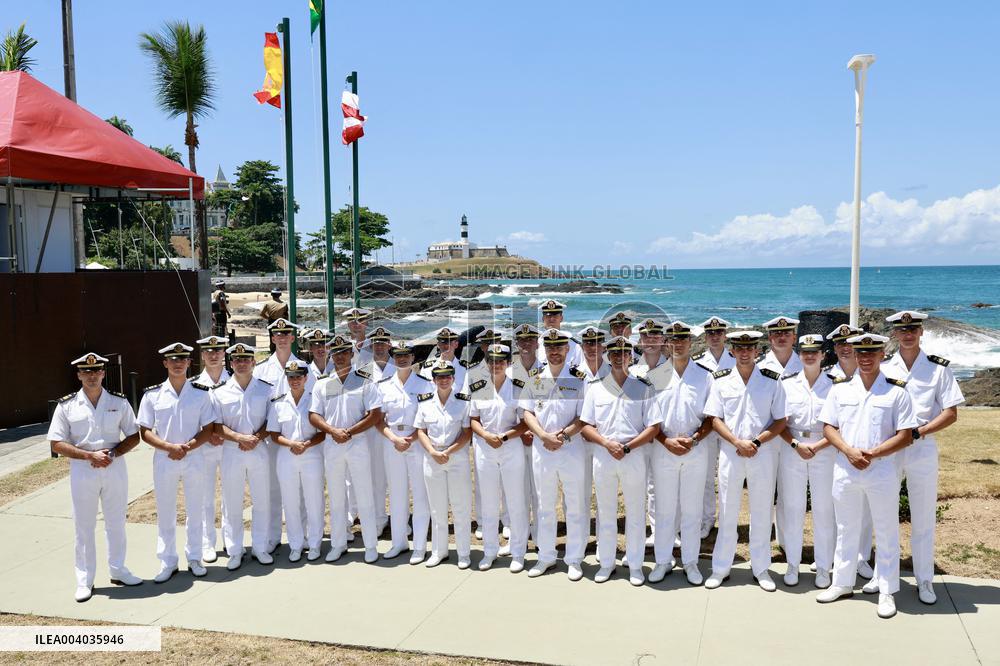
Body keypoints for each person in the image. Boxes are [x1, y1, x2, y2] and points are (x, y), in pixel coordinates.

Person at [816, 333, 917, 619]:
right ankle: (843, 583)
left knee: (886, 530)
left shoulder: (897, 391)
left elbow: (906, 435)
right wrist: (849, 451)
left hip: (881, 469)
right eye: (860, 353)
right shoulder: (840, 390)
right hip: (846, 467)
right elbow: (828, 427)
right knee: (846, 528)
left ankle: (886, 591)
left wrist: (871, 454)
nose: (865, 358)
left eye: (872, 353)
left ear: (882, 354)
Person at [880, 310, 964, 605]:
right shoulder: (884, 368)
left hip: (922, 449)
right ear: (894, 334)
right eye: (902, 330)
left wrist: (920, 432)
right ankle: (885, 581)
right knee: (885, 515)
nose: (907, 334)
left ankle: (924, 579)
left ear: (921, 332)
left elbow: (951, 413)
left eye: (913, 329)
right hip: (890, 450)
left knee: (924, 517)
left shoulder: (938, 369)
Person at [48, 353, 143, 602]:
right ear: (79, 375)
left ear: (103, 373)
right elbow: (57, 443)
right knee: (84, 526)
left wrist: (113, 452)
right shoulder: (66, 406)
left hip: (114, 467)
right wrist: (88, 455)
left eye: (96, 371)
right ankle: (84, 579)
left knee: (116, 521)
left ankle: (118, 569)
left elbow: (134, 435)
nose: (92, 376)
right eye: (86, 372)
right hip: (83, 470)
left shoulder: (119, 402)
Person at [703, 331, 787, 592]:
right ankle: (721, 568)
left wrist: (757, 442)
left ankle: (761, 568)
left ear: (757, 350)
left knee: (761, 511)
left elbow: (781, 420)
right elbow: (715, 419)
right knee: (728, 511)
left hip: (762, 453)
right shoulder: (720, 381)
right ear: (732, 351)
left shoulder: (772, 381)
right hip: (731, 452)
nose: (744, 352)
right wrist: (737, 442)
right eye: (739, 347)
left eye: (749, 347)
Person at [580, 335, 662, 586]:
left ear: (631, 356)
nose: (618, 357)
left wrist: (627, 447)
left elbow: (654, 427)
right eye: (614, 353)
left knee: (635, 512)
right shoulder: (595, 387)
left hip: (633, 455)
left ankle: (635, 565)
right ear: (608, 356)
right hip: (604, 455)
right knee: (605, 511)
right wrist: (606, 444)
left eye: (624, 353)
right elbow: (586, 426)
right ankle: (606, 563)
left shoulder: (643, 387)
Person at [137, 343, 218, 583]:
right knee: (166, 510)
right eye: (173, 360)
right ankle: (168, 560)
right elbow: (145, 431)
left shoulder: (200, 393)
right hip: (165, 458)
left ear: (189, 363)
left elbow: (209, 428)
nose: (178, 363)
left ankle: (194, 557)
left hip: (194, 457)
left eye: (182, 359)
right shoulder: (152, 395)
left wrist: (189, 446)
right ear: (165, 363)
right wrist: (169, 447)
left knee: (195, 509)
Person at [520, 329, 589, 580]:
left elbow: (583, 417)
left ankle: (574, 559)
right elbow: (527, 412)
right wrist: (543, 436)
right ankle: (546, 556)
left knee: (575, 506)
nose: (555, 352)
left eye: (559, 347)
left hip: (571, 449)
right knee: (545, 506)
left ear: (567, 349)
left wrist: (563, 436)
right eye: (550, 348)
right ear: (544, 351)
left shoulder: (579, 380)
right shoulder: (535, 379)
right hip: (543, 450)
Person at [308, 334, 383, 564]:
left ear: (352, 354)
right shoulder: (322, 384)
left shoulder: (364, 381)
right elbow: (313, 415)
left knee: (364, 494)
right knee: (337, 496)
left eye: (344, 352)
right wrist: (332, 431)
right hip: (332, 444)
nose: (339, 357)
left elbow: (375, 415)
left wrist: (348, 432)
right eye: (336, 353)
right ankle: (338, 544)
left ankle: (371, 545)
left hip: (357, 443)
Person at [649, 322, 714, 585]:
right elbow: (649, 420)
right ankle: (663, 561)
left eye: (682, 339)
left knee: (692, 509)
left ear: (690, 342)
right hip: (662, 449)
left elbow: (712, 417)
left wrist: (694, 439)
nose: (678, 344)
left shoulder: (705, 376)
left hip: (695, 449)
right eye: (673, 340)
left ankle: (690, 562)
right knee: (664, 509)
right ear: (667, 343)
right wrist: (666, 441)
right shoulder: (654, 377)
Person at [776, 334, 837, 588]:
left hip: (825, 449)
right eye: (804, 351)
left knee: (824, 510)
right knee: (793, 508)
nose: (809, 356)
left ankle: (823, 567)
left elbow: (841, 423)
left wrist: (819, 446)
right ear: (799, 354)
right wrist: (796, 445)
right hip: (793, 448)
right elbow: (779, 420)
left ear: (823, 355)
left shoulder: (836, 384)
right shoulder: (786, 383)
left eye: (815, 351)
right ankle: (792, 564)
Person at [212, 343, 274, 570]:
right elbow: (217, 426)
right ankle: (235, 549)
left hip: (259, 448)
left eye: (246, 359)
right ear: (231, 363)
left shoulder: (266, 389)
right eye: (237, 360)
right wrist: (240, 438)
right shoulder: (219, 392)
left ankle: (260, 547)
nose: (241, 363)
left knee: (261, 500)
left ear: (253, 362)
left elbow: (272, 421)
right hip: (231, 451)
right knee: (232, 502)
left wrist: (256, 437)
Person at [469, 344, 531, 572]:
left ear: (508, 363)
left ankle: (518, 552)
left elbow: (525, 421)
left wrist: (504, 436)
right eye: (492, 361)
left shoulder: (518, 387)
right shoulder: (479, 387)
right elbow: (473, 419)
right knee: (489, 502)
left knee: (515, 501)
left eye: (501, 361)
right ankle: (489, 551)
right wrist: (486, 435)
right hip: (485, 448)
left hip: (510, 447)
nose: (496, 365)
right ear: (487, 363)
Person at [377, 341, 433, 564]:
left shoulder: (425, 385)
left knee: (420, 495)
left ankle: (419, 546)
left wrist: (412, 438)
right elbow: (378, 420)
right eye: (397, 355)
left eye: (406, 355)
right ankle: (399, 542)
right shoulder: (382, 386)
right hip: (392, 442)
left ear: (413, 357)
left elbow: (428, 418)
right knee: (397, 494)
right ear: (392, 357)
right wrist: (394, 439)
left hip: (417, 442)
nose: (402, 359)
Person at [825, 323, 873, 579]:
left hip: (861, 450)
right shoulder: (825, 376)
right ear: (834, 348)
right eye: (840, 344)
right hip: (830, 450)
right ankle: (835, 555)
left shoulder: (873, 375)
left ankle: (861, 557)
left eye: (850, 343)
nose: (845, 348)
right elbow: (824, 421)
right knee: (834, 504)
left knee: (864, 507)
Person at [415, 360, 474, 569]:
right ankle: (439, 551)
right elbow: (420, 430)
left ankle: (464, 553)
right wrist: (432, 451)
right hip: (432, 458)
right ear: (433, 380)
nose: (443, 380)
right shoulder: (424, 402)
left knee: (461, 507)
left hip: (456, 458)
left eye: (447, 376)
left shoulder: (463, 402)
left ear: (453, 378)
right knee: (437, 509)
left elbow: (467, 432)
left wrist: (448, 451)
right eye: (439, 377)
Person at [267, 359, 326, 563]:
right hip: (286, 455)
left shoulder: (314, 401)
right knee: (290, 502)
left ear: (306, 378)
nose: (295, 381)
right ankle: (295, 544)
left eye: (298, 377)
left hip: (312, 454)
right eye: (291, 378)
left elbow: (322, 433)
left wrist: (306, 445)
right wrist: (291, 443)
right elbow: (274, 433)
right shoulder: (279, 402)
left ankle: (315, 543)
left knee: (314, 500)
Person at [253, 317, 303, 552]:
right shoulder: (261, 369)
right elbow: (259, 404)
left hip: (298, 436)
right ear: (272, 339)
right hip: (271, 437)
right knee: (272, 487)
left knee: (300, 488)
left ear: (292, 338)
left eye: (286, 335)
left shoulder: (304, 367)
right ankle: (273, 537)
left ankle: (301, 536)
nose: (282, 339)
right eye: (278, 335)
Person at [693, 316, 734, 538]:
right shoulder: (697, 361)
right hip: (707, 425)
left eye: (718, 333)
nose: (715, 337)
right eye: (710, 333)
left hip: (730, 427)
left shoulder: (735, 359)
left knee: (728, 476)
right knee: (707, 476)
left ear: (725, 335)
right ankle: (707, 519)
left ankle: (728, 521)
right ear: (705, 336)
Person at [193, 334, 230, 564]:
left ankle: (230, 538)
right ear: (203, 355)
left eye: (217, 351)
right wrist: (208, 436)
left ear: (224, 353)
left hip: (229, 446)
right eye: (209, 352)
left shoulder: (236, 381)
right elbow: (192, 418)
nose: (213, 355)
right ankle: (208, 543)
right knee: (206, 497)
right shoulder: (193, 386)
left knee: (231, 495)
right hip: (204, 448)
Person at [510, 323, 545, 547]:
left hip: (540, 439)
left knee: (540, 493)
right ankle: (517, 540)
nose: (526, 344)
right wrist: (520, 430)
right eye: (522, 340)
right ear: (516, 344)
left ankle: (541, 538)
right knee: (516, 493)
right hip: (513, 440)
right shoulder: (506, 371)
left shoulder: (547, 370)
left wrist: (535, 430)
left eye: (530, 340)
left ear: (537, 343)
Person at [538, 300, 583, 367]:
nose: (552, 319)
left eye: (555, 316)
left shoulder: (573, 345)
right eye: (548, 316)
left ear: (561, 318)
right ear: (543, 318)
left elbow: (580, 370)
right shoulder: (536, 345)